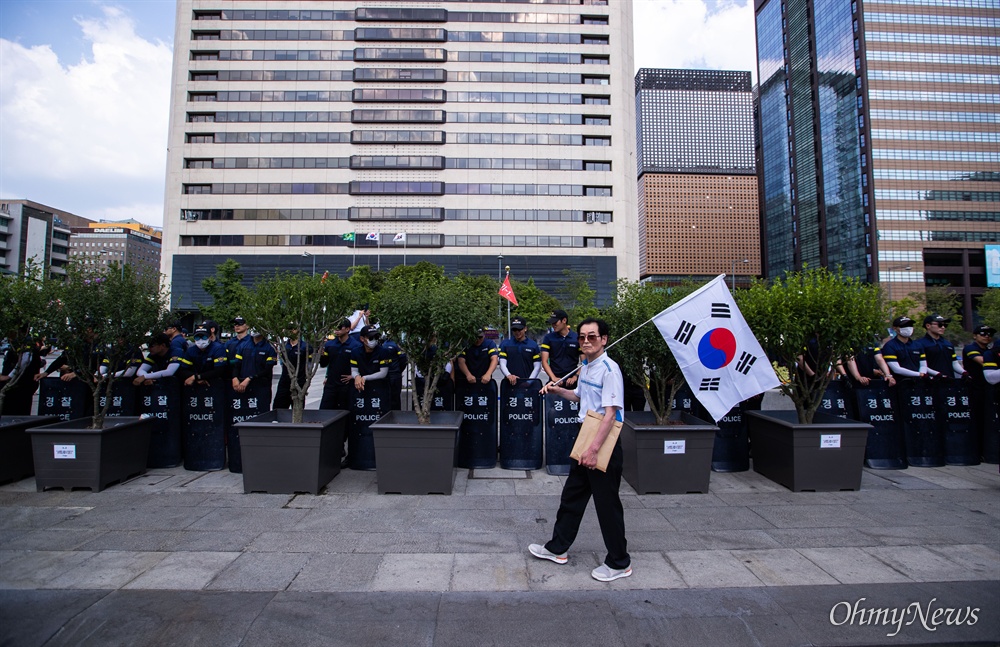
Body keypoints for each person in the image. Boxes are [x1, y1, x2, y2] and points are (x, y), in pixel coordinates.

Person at [531, 318, 630, 582]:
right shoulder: (586, 366)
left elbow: (610, 414)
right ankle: (558, 548)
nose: (586, 341)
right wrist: (558, 391)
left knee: (607, 504)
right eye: (583, 337)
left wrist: (593, 450)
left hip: (602, 441)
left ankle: (619, 562)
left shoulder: (610, 369)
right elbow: (580, 397)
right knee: (572, 497)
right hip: (585, 435)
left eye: (593, 337)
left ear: (604, 339)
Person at [319, 319, 362, 410]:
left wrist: (353, 376)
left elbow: (361, 364)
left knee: (346, 412)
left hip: (347, 385)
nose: (336, 330)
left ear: (347, 329)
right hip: (331, 384)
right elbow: (324, 364)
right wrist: (322, 356)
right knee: (325, 411)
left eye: (339, 328)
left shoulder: (356, 346)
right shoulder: (330, 345)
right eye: (335, 328)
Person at [0, 332, 45, 415]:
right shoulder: (16, 342)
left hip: (20, 385)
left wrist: (8, 377)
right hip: (17, 384)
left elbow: (24, 361)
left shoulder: (24, 342)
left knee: (17, 412)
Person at [916, 314, 965, 379]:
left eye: (945, 325)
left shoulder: (948, 344)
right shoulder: (919, 344)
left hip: (949, 381)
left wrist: (964, 372)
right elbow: (920, 365)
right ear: (928, 326)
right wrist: (937, 374)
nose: (943, 327)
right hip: (930, 382)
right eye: (939, 325)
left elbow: (954, 363)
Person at [273, 327, 311, 410]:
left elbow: (310, 365)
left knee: (297, 409)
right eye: (288, 328)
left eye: (292, 328)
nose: (290, 331)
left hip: (299, 382)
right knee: (278, 408)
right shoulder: (284, 346)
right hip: (284, 381)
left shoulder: (305, 347)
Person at [232, 329, 276, 398]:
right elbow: (237, 365)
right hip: (243, 386)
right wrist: (234, 377)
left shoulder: (269, 348)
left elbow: (267, 369)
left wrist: (250, 378)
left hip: (261, 387)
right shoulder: (243, 345)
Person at [540, 309, 579, 388]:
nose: (553, 325)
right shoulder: (548, 338)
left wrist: (575, 377)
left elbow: (585, 362)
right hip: (554, 382)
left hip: (573, 383)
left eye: (555, 322)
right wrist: (554, 378)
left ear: (564, 320)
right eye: (552, 323)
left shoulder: (577, 338)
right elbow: (544, 361)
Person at [498, 317, 540, 385]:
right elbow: (502, 363)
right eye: (514, 330)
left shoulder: (533, 345)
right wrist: (509, 375)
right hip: (509, 383)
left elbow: (537, 366)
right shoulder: (505, 344)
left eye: (519, 329)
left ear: (525, 328)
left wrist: (529, 382)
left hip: (529, 385)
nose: (517, 332)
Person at [350, 325, 391, 391]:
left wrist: (364, 378)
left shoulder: (383, 351)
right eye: (371, 338)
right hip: (362, 387)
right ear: (362, 339)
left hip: (379, 388)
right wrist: (357, 377)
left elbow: (383, 373)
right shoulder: (355, 352)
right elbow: (354, 370)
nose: (374, 340)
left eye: (376, 337)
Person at [381, 334, 406, 409]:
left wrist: (398, 370)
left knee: (393, 398)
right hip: (389, 374)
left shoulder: (394, 345)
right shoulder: (386, 344)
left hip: (393, 374)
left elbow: (403, 360)